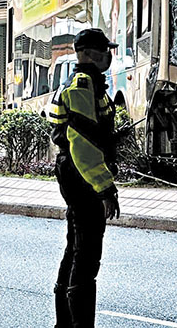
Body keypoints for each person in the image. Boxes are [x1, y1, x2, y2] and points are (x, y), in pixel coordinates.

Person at [48, 28, 121, 328]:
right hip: (81, 177)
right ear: (91, 54)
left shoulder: (87, 84)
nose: (110, 56)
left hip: (75, 174)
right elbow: (83, 146)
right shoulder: (81, 86)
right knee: (87, 256)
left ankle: (64, 325)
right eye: (106, 51)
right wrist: (106, 189)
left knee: (75, 249)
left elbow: (90, 135)